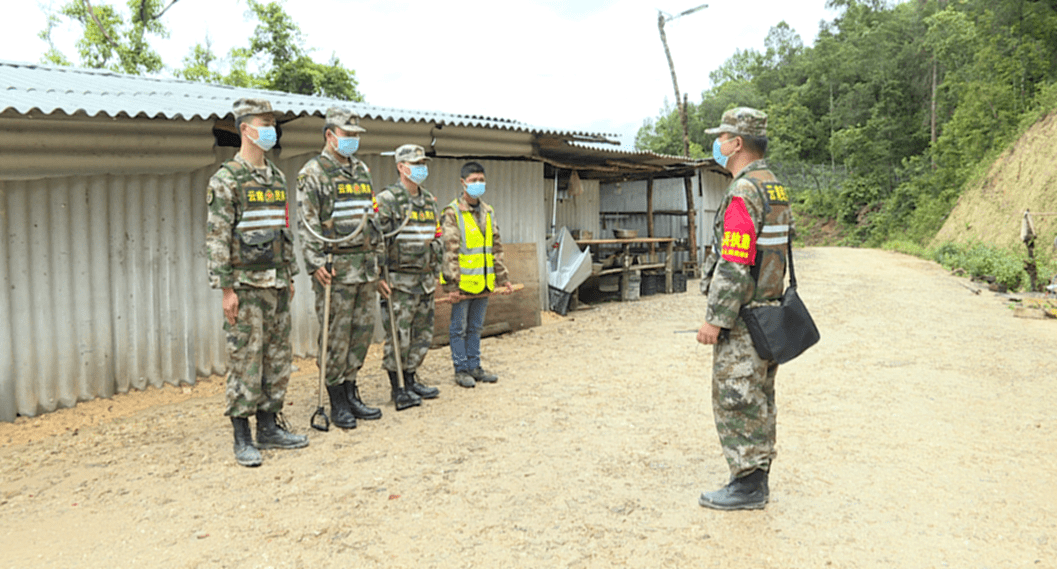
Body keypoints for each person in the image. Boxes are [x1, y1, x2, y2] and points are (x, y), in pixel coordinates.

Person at [696, 107, 793, 509]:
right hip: (769, 312)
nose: (716, 145)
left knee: (736, 396)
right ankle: (758, 477)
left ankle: (748, 485)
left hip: (743, 315)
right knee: (760, 396)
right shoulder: (773, 187)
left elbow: (735, 262)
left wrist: (715, 319)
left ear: (736, 143)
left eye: (721, 138)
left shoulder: (743, 191)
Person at [205, 98, 308, 467]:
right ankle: (242, 437)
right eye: (265, 123)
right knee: (246, 360)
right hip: (246, 287)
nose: (272, 129)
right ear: (245, 129)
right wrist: (226, 290)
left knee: (276, 359)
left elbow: (284, 229)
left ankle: (269, 427)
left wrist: (290, 274)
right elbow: (217, 238)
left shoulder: (277, 177)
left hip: (277, 284)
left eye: (273, 123)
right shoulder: (227, 180)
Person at [296, 107, 389, 429]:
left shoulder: (361, 170)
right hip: (335, 269)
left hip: (364, 268)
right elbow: (306, 222)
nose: (352, 140)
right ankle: (336, 400)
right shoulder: (314, 173)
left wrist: (378, 262)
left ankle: (352, 391)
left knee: (361, 334)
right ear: (330, 135)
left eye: (355, 136)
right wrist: (314, 263)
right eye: (347, 135)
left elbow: (371, 218)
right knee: (336, 336)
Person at [375, 144, 442, 406]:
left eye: (423, 163)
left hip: (424, 280)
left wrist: (436, 269)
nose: (421, 169)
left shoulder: (428, 200)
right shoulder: (387, 200)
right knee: (398, 336)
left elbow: (435, 237)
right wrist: (379, 276)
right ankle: (398, 388)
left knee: (421, 335)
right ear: (402, 167)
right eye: (416, 164)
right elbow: (377, 241)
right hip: (398, 282)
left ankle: (412, 379)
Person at [440, 161, 514, 388]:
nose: (478, 184)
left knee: (476, 328)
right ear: (463, 183)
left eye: (481, 180)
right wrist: (452, 286)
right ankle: (461, 369)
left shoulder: (488, 212)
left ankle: (475, 366)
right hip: (463, 284)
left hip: (483, 282)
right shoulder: (453, 212)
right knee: (458, 329)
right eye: (473, 181)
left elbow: (495, 248)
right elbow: (449, 252)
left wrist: (503, 278)